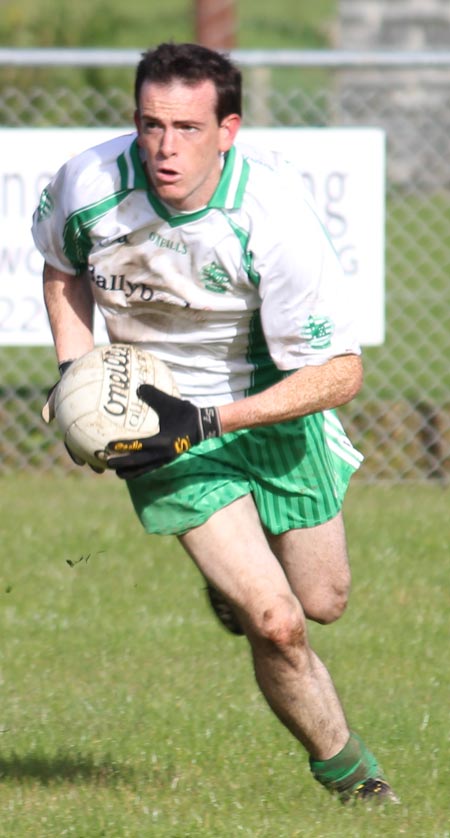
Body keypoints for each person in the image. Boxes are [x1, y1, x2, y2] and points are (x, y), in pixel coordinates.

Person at [32, 41, 397, 805]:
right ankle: (356, 782)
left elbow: (340, 374)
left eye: (189, 128)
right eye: (151, 124)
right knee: (278, 622)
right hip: (155, 415)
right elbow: (63, 268)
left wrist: (206, 420)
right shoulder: (90, 182)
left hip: (269, 407)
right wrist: (79, 378)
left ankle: (238, 577)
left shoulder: (273, 219)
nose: (166, 147)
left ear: (228, 129)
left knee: (322, 602)